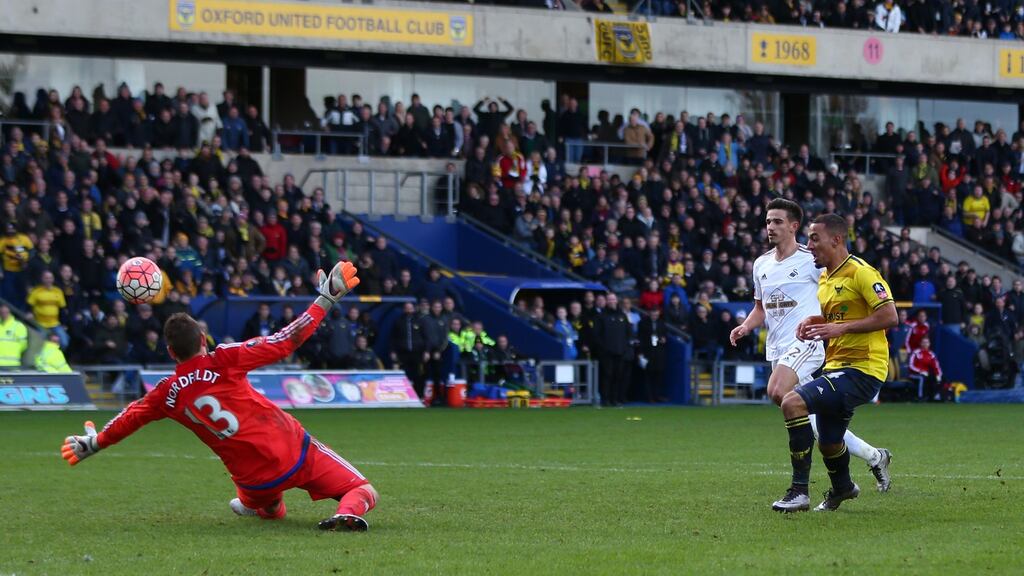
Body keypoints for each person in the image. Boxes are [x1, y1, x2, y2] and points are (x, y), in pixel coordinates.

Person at [61, 262, 380, 532]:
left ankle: (265, 505)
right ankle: (347, 513)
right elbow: (285, 341)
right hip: (292, 451)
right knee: (362, 488)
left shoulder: (166, 393)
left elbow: (131, 416)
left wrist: (96, 442)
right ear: (203, 338)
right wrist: (324, 299)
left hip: (253, 480)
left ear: (171, 352)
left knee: (264, 505)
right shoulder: (224, 359)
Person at [730, 200, 891, 513]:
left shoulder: (813, 261)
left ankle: (800, 490)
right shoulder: (762, 264)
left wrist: (828, 328)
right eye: (767, 221)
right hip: (781, 347)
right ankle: (872, 458)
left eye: (777, 221)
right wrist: (746, 326)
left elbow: (872, 306)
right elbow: (761, 307)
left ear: (793, 226)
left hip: (808, 345)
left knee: (782, 394)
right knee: (819, 428)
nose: (770, 227)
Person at [785, 214, 899, 512]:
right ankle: (843, 489)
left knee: (792, 403)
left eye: (814, 238)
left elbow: (889, 316)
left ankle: (799, 492)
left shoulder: (862, 272)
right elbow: (840, 317)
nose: (809, 245)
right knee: (829, 441)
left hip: (863, 368)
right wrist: (816, 321)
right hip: (837, 366)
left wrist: (840, 328)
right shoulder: (825, 277)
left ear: (836, 239)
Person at [908, 336, 944, 401]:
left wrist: (938, 375)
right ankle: (920, 397)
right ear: (921, 343)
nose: (925, 344)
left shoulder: (931, 354)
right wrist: (920, 371)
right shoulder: (916, 352)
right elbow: (911, 365)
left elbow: (936, 366)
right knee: (922, 378)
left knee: (938, 378)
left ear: (929, 344)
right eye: (923, 342)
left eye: (927, 342)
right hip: (914, 374)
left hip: (926, 374)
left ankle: (935, 396)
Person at [0, 302, 28, 368]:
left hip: (13, 364)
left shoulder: (19, 326)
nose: (4, 314)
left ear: (10, 312)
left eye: (6, 312)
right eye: (2, 312)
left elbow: (23, 345)